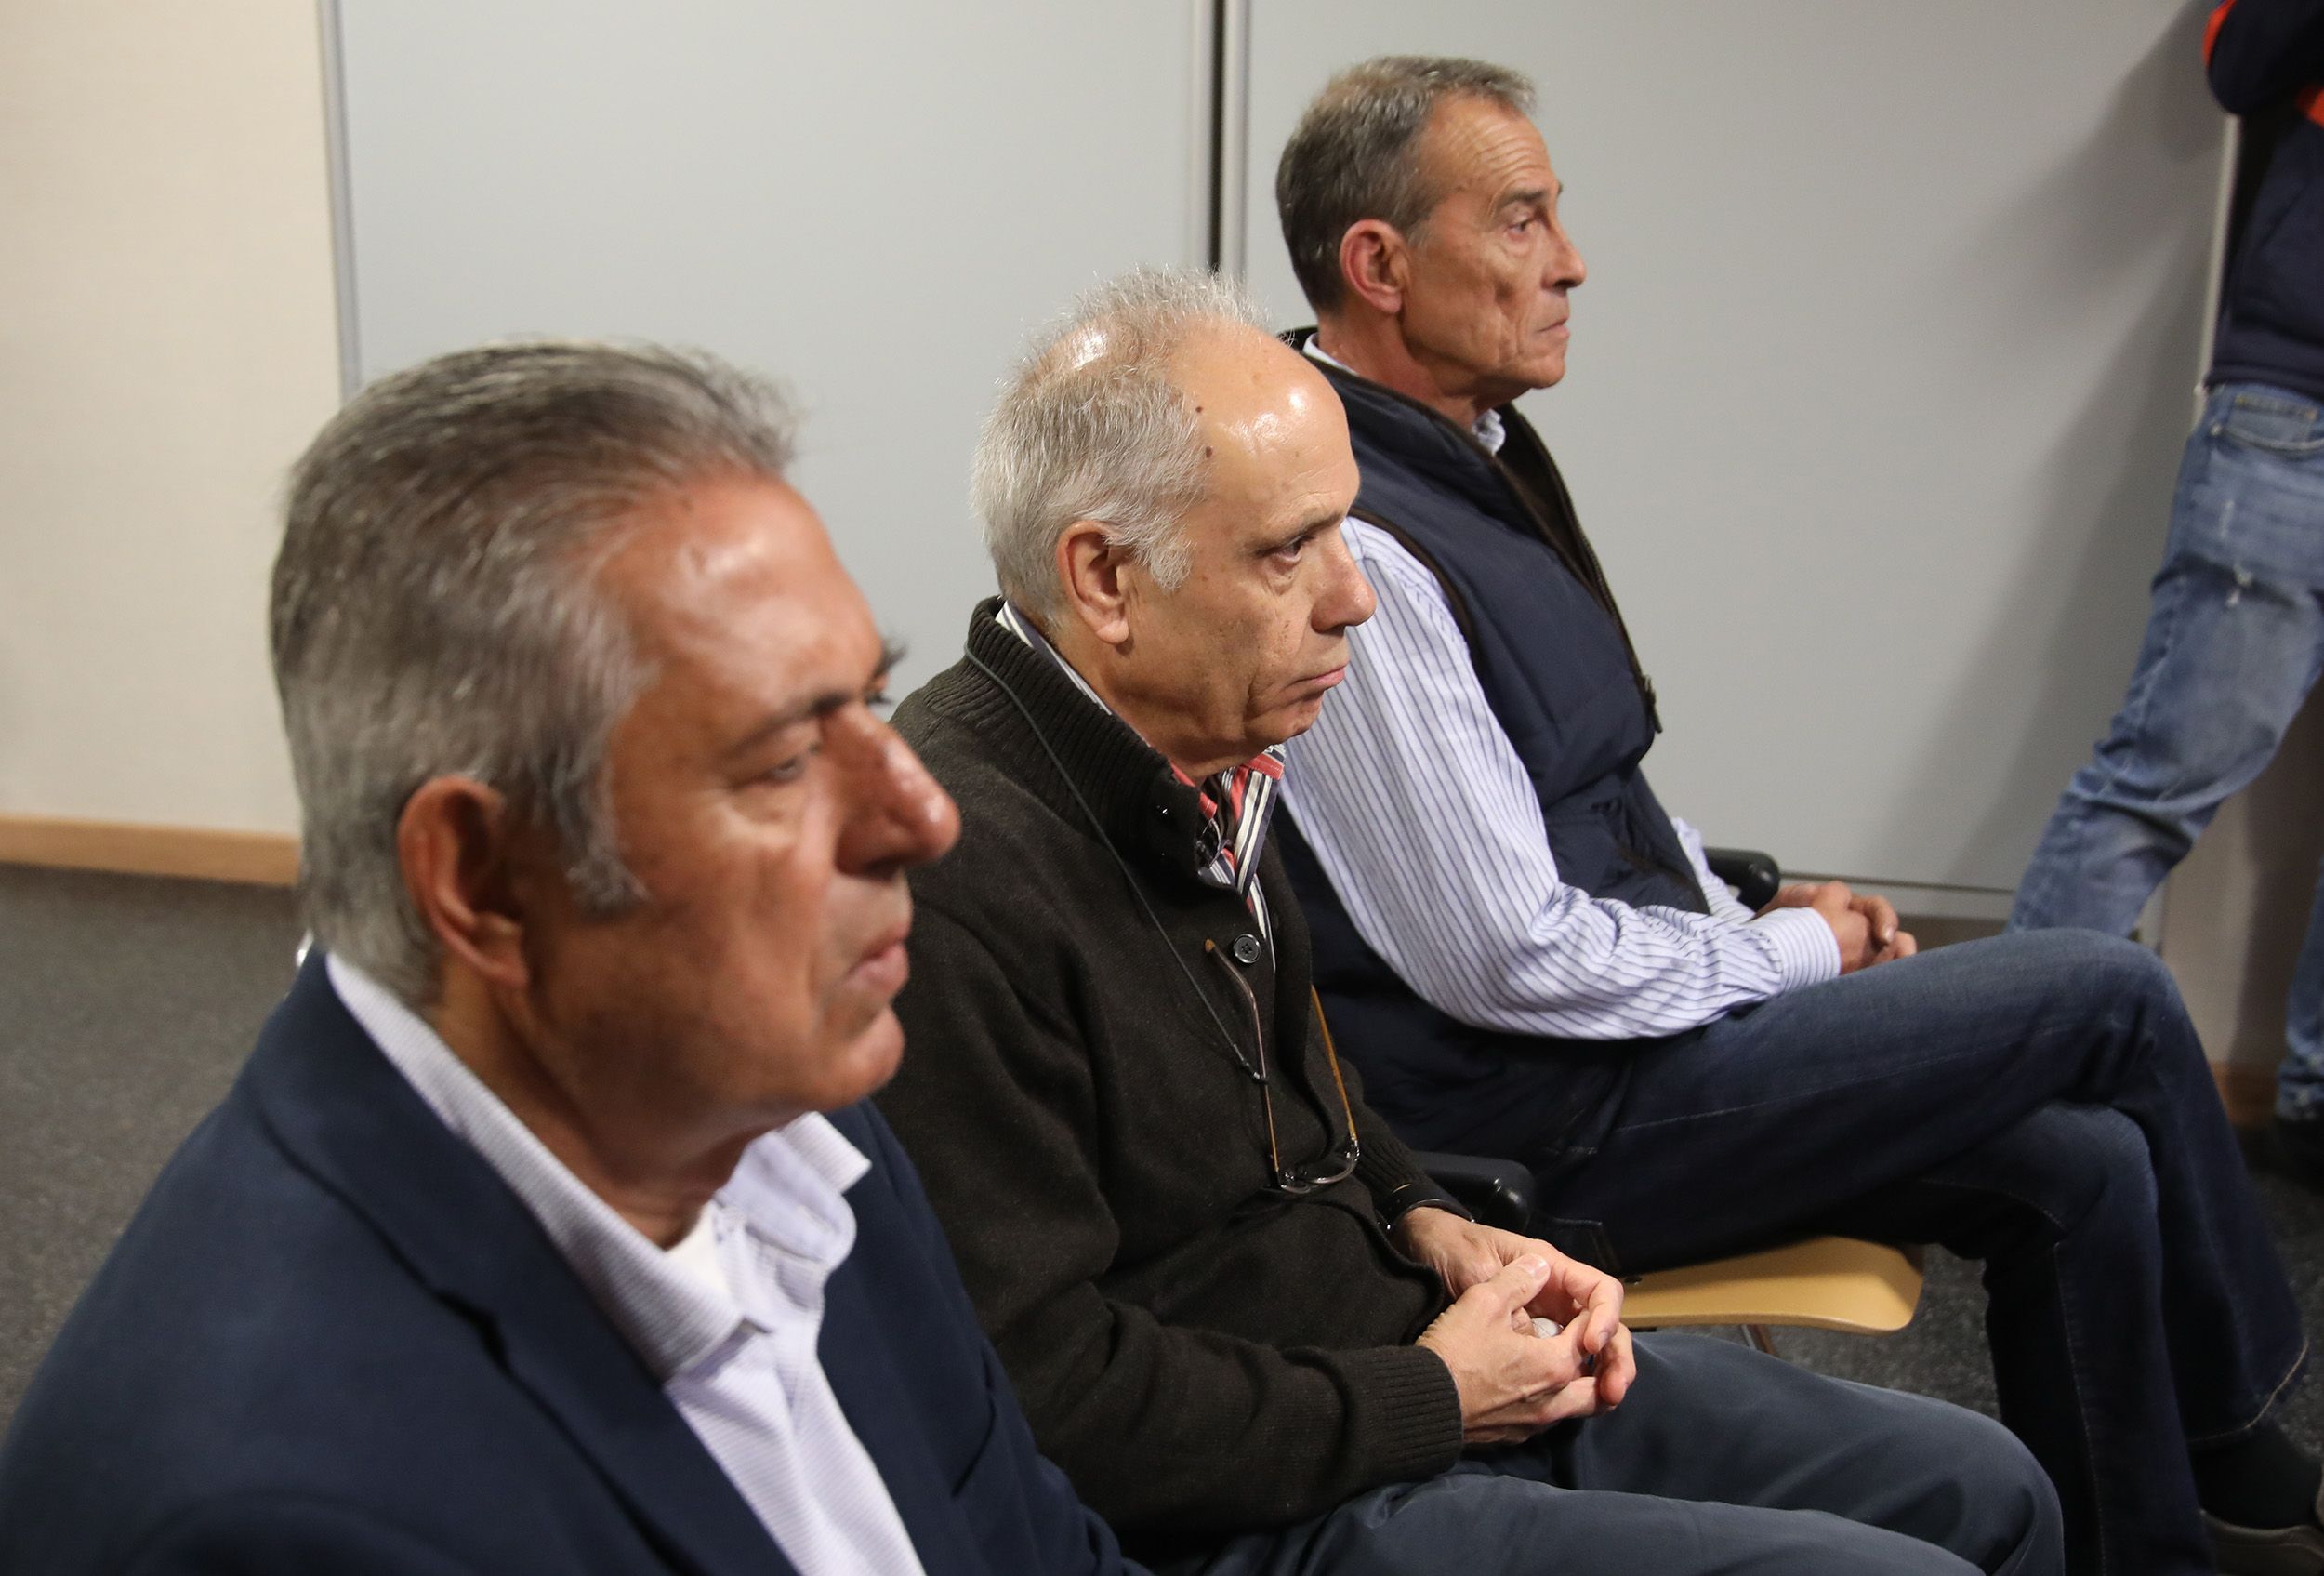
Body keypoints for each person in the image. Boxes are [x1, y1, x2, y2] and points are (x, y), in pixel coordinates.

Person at [1262, 55, 2317, 1576]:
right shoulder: (1355, 531)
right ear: (1379, 264)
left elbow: (1589, 789)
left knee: (2081, 1161)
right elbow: (1502, 957)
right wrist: (1796, 958)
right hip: (1536, 1131)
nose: (1571, 260)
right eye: (1520, 220)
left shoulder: (1468, 459)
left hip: (1627, 1060)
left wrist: (1756, 911)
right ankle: (2248, 1451)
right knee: (2112, 987)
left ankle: (2149, 1552)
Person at [876, 267, 2065, 1576]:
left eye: (1347, 531)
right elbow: (1051, 1394)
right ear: (1103, 577)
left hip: (1396, 1365)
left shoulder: (1209, 753)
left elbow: (1297, 1088)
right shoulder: (949, 876)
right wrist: (1433, 1400)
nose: (1355, 598)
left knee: (1991, 1486)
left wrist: (1426, 1213)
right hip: (1246, 1505)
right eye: (1290, 549)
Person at [0, 342, 1141, 1576]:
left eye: (868, 700)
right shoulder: (277, 1516)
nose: (924, 815)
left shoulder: (795, 1123)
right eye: (780, 760)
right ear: (485, 880)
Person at [2013, 0, 2324, 1186]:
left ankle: (2311, 1107)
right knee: (2163, 776)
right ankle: (1996, 1067)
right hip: (2295, 408)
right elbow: (2238, 63)